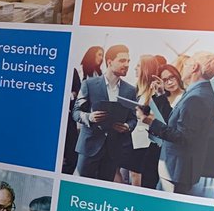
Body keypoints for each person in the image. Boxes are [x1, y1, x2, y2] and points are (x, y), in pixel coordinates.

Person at [141, 51, 214, 194]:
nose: (182, 68)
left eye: (186, 64)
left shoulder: (196, 97)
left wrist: (152, 123)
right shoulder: (199, 92)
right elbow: (175, 122)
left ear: (194, 67)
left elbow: (183, 137)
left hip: (176, 172)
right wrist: (161, 95)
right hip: (177, 169)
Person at [72, 44, 136, 182]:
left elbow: (133, 119)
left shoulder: (130, 90)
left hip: (113, 150)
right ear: (110, 62)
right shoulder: (89, 84)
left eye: (128, 61)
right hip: (89, 147)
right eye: (122, 60)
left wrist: (127, 126)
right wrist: (89, 117)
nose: (127, 64)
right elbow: (76, 112)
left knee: (103, 187)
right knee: (81, 185)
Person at [124, 54, 166, 189]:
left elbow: (158, 116)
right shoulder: (138, 89)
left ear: (145, 69)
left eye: (138, 65)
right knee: (132, 173)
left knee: (137, 174)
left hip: (145, 140)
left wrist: (140, 114)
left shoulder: (154, 90)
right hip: (135, 137)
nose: (135, 68)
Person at [63, 46, 102, 174]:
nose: (101, 58)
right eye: (99, 54)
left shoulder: (99, 74)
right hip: (79, 114)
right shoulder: (80, 71)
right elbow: (77, 91)